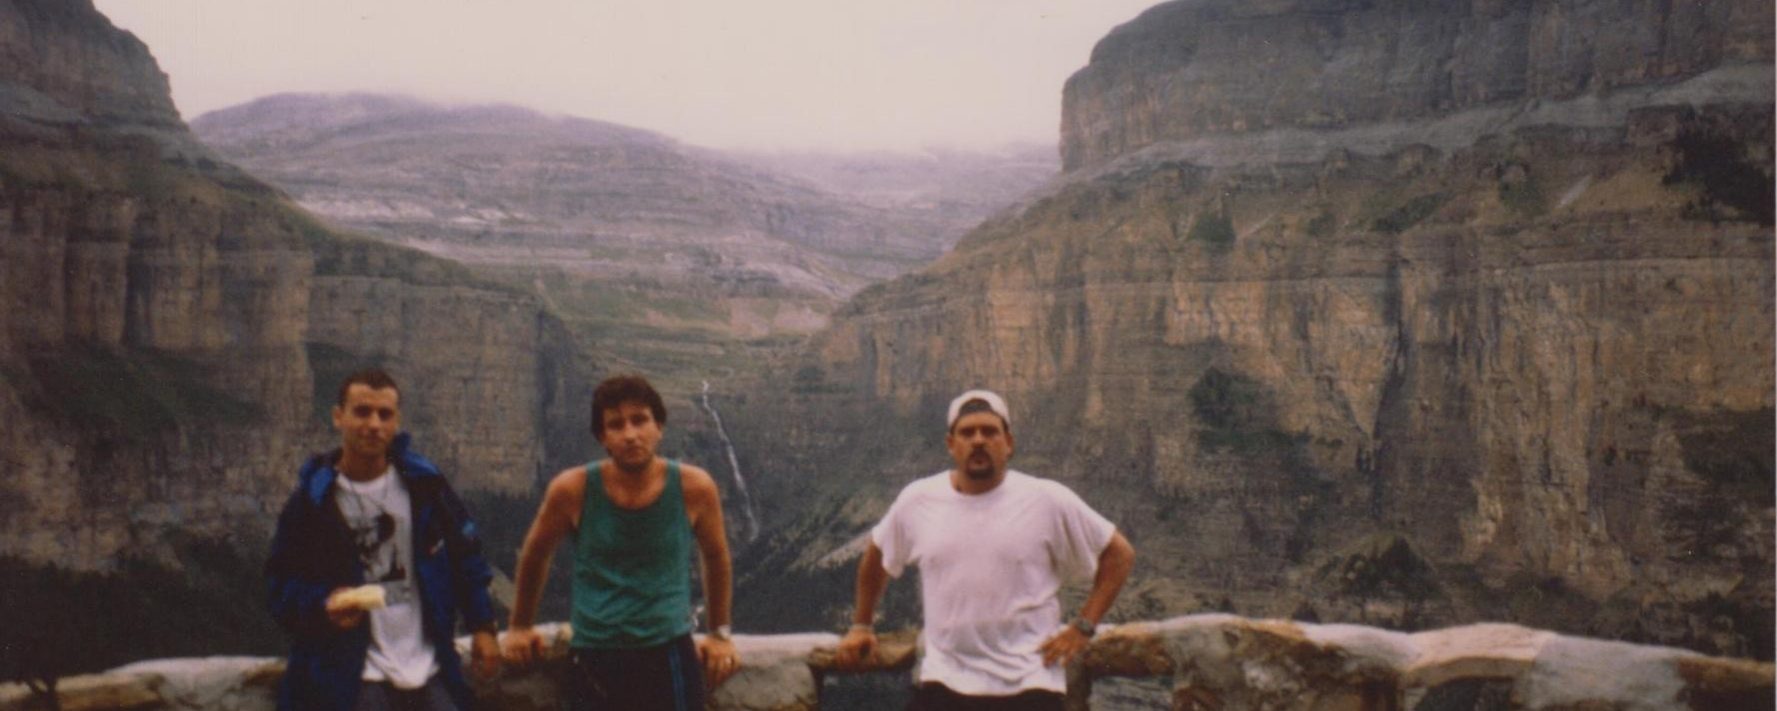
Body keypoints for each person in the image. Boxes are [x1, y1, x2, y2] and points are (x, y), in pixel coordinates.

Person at [836, 389, 1137, 710]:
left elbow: (1119, 553)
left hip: (1029, 685)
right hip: (944, 681)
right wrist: (861, 625)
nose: (978, 440)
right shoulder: (918, 499)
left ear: (1008, 442)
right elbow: (878, 554)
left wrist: (1084, 626)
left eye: (989, 431)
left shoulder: (1047, 499)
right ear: (951, 444)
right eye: (967, 433)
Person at [266, 369, 500, 711]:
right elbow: (278, 587)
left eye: (384, 414)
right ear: (338, 417)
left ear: (397, 422)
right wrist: (323, 605)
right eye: (362, 412)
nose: (374, 424)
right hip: (352, 675)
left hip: (429, 665)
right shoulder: (312, 503)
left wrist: (482, 626)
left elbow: (466, 557)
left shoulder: (425, 487)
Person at [502, 374, 740, 710]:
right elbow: (536, 554)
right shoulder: (572, 490)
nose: (630, 435)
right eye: (616, 425)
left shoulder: (694, 487)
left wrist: (720, 634)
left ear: (659, 426)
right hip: (595, 655)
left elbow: (716, 558)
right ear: (603, 438)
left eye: (640, 420)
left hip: (668, 652)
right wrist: (520, 626)